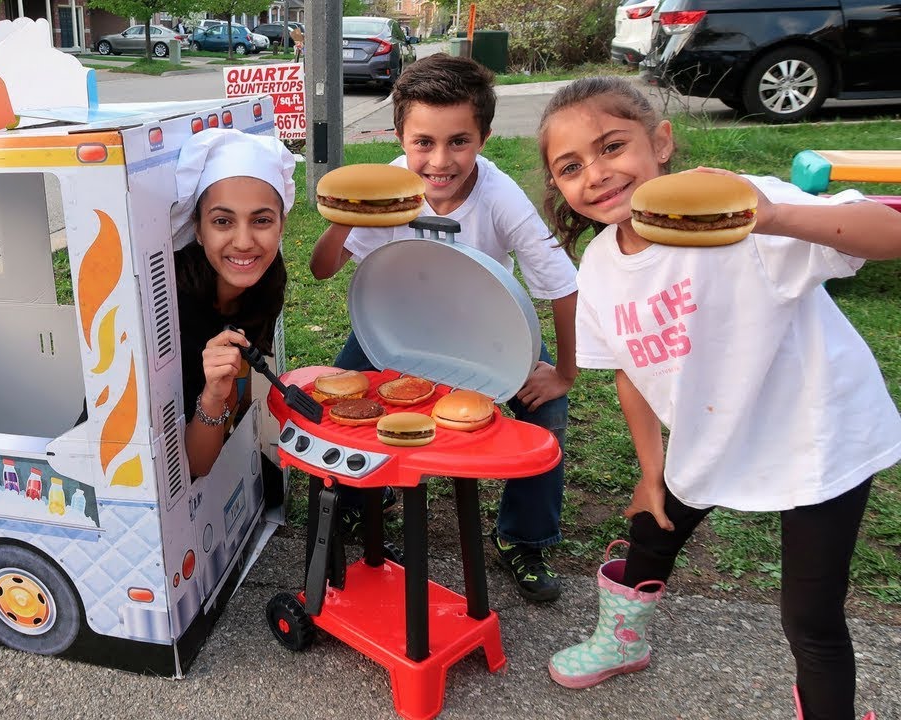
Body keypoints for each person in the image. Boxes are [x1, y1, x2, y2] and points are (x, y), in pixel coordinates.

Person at [537, 76, 901, 720]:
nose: (596, 173)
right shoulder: (598, 265)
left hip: (819, 437)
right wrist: (652, 473)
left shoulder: (742, 214)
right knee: (651, 527)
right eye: (571, 167)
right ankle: (621, 641)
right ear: (560, 187)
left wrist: (775, 214)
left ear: (662, 142)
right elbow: (630, 372)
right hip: (713, 431)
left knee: (810, 618)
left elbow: (888, 230)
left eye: (612, 146)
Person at [309, 54, 579, 603]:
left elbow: (561, 284)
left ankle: (523, 538)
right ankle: (363, 505)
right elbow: (322, 268)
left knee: (544, 410)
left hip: (482, 328)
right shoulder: (386, 188)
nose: (439, 160)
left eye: (459, 141)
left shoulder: (502, 200)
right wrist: (346, 216)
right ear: (400, 136)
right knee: (347, 400)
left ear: (484, 136)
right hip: (398, 325)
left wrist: (565, 372)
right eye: (423, 143)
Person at [170, 128, 296, 478]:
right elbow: (194, 467)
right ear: (197, 228)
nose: (243, 242)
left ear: (282, 224)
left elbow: (238, 394)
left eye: (261, 220)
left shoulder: (267, 283)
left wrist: (228, 407)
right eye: (223, 221)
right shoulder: (167, 308)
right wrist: (214, 397)